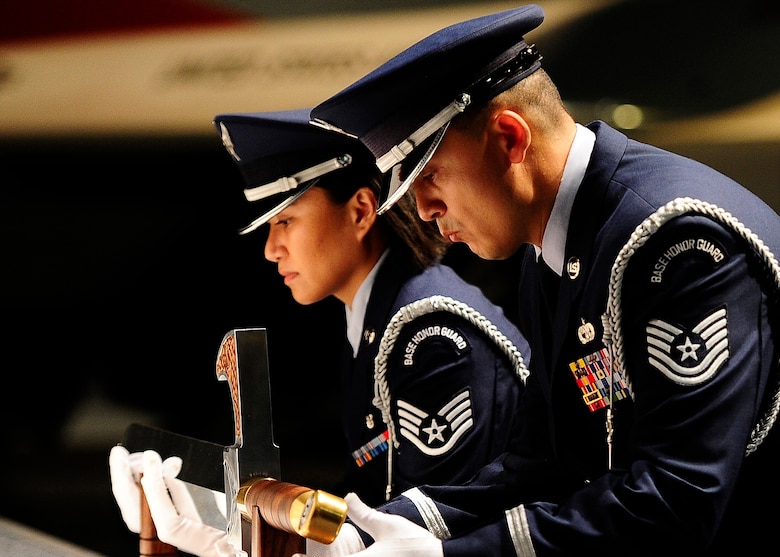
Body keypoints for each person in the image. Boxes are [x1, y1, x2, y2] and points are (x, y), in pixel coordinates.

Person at [299, 4, 780, 556]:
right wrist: (355, 531)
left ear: (509, 137)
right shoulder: (553, 244)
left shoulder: (675, 240)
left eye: (429, 176)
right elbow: (540, 462)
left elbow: (678, 498)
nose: (423, 209)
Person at [109, 108, 532, 556]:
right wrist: (220, 510)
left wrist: (289, 541)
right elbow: (369, 491)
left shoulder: (430, 331)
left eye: (285, 220)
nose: (272, 249)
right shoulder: (378, 320)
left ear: (361, 211)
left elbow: (439, 515)